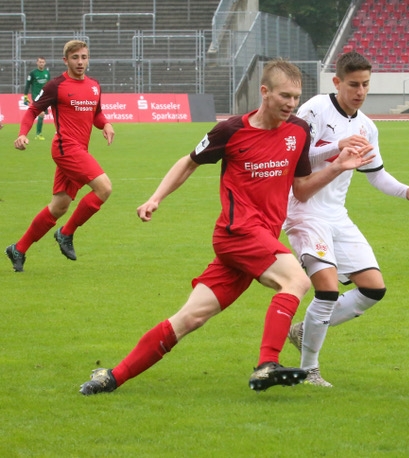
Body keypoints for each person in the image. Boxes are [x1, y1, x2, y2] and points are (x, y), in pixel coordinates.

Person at [78, 58, 375, 395]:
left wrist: (338, 167)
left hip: (258, 243)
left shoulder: (299, 132)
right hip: (237, 234)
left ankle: (111, 377)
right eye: (285, 96)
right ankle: (267, 364)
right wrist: (156, 198)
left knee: (189, 318)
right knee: (295, 279)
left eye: (296, 97)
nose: (292, 104)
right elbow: (188, 162)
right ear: (265, 92)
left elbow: (302, 188)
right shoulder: (231, 130)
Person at [284, 51, 409, 387]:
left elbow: (376, 174)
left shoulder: (367, 126)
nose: (360, 91)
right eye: (353, 84)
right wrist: (336, 147)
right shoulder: (315, 108)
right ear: (337, 82)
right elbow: (292, 152)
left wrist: (407, 192)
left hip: (337, 214)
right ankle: (309, 370)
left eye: (365, 84)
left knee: (373, 289)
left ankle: (303, 331)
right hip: (304, 211)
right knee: (326, 290)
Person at [6, 40, 114, 273]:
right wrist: (23, 134)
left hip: (79, 150)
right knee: (104, 188)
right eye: (75, 58)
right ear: (66, 60)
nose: (80, 62)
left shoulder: (94, 85)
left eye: (84, 57)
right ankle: (66, 233)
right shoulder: (57, 85)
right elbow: (33, 110)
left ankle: (18, 248)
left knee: (59, 206)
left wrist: (105, 124)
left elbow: (96, 114)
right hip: (66, 148)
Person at [23, 56, 51, 140]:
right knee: (41, 113)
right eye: (40, 62)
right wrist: (25, 96)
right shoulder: (33, 73)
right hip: (36, 96)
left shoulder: (47, 73)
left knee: (42, 115)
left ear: (45, 63)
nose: (41, 63)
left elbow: (49, 85)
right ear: (37, 63)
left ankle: (39, 133)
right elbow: (28, 84)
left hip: (45, 96)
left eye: (43, 62)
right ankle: (38, 134)